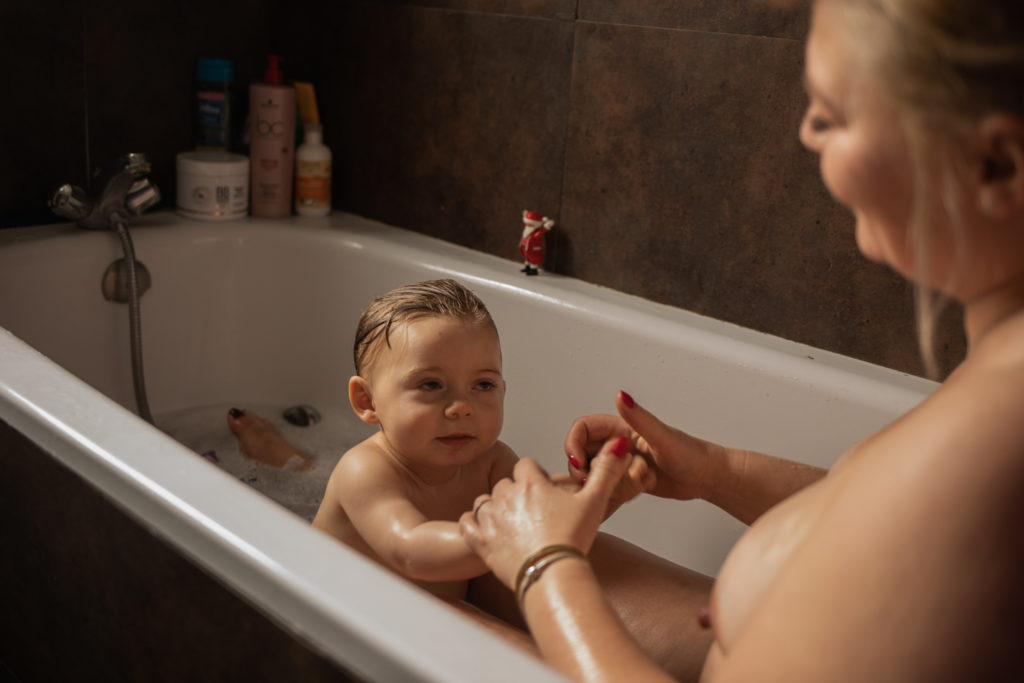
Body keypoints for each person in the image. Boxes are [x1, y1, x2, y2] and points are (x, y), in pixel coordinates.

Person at [459, 0, 1024, 680]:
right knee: (432, 565)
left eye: (833, 115)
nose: (807, 134)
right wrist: (717, 470)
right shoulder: (1000, 372)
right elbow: (908, 533)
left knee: (402, 585)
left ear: (997, 165)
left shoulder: (1002, 428)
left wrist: (544, 565)